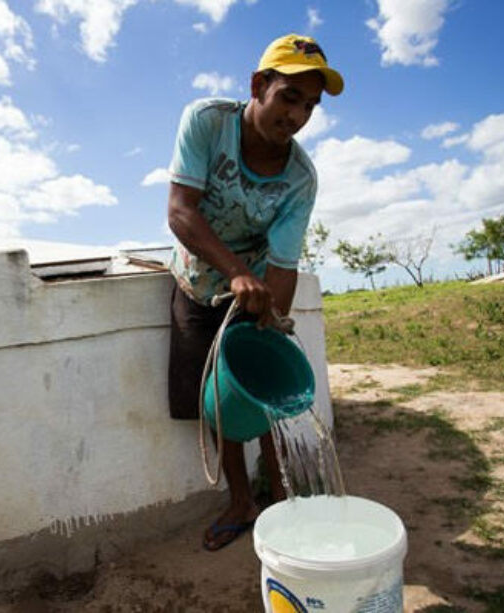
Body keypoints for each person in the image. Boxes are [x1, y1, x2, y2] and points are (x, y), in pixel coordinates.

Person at [166, 33, 344, 551]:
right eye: (289, 97)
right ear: (259, 85)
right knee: (218, 402)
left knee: (263, 394)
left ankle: (284, 498)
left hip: (257, 291)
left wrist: (269, 326)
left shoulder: (300, 179)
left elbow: (284, 266)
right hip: (198, 284)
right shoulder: (208, 122)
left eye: (310, 106)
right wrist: (235, 271)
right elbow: (181, 210)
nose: (298, 116)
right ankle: (241, 502)